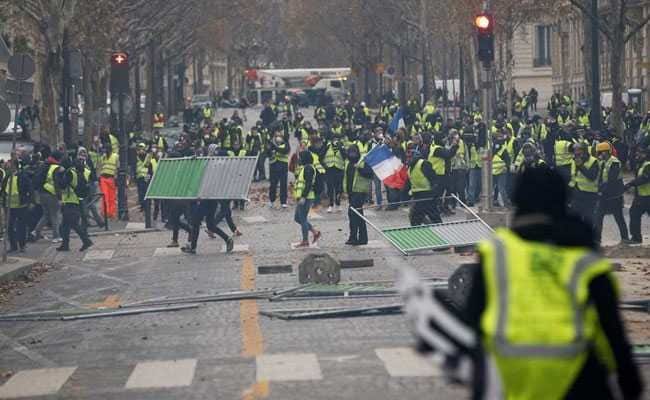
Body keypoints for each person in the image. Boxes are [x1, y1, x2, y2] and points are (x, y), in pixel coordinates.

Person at [407, 167, 644, 399]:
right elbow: (612, 333)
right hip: (575, 376)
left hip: (506, 372)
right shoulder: (585, 261)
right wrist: (628, 382)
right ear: (563, 200)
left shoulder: (496, 254)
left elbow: (473, 320)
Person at [594, 142, 630, 245]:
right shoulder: (602, 162)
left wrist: (600, 189)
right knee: (598, 217)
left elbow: (611, 179)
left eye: (601, 152)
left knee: (618, 217)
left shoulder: (614, 162)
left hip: (614, 195)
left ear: (606, 151)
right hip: (605, 194)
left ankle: (625, 238)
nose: (600, 154)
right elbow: (600, 177)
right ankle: (597, 239)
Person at [56, 158, 93, 252]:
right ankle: (65, 245)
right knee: (64, 225)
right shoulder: (80, 171)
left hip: (70, 201)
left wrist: (59, 174)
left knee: (73, 224)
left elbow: (62, 185)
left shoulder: (69, 173)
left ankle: (86, 241)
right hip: (76, 200)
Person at [344, 145, 374, 245]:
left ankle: (354, 237)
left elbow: (369, 173)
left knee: (354, 214)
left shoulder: (362, 162)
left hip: (360, 191)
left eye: (354, 153)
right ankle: (362, 238)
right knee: (358, 215)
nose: (352, 155)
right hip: (351, 192)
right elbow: (346, 178)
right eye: (350, 153)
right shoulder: (348, 163)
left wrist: (359, 169)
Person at [32, 150, 63, 243]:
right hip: (51, 193)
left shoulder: (44, 164)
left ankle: (35, 231)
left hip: (41, 193)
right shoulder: (56, 168)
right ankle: (56, 236)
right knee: (55, 215)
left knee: (46, 215)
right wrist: (60, 197)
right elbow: (57, 184)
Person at [3, 158, 32, 253]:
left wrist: (29, 201)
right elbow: (3, 190)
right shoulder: (7, 176)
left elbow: (29, 189)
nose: (7, 166)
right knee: (9, 226)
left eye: (9, 164)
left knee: (21, 226)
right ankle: (13, 246)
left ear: (14, 166)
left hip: (21, 206)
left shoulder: (22, 176)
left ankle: (22, 245)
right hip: (9, 206)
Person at [293, 150, 321, 247]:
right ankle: (315, 232)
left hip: (306, 197)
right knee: (297, 218)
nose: (299, 159)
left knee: (302, 218)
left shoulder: (308, 168)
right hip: (303, 197)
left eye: (301, 157)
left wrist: (303, 197)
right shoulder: (305, 168)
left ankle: (305, 240)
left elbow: (308, 184)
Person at [407, 149, 441, 226]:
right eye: (407, 157)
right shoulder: (409, 168)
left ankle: (440, 229)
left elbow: (433, 179)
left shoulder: (423, 163)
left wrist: (435, 194)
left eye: (409, 157)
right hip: (417, 195)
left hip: (427, 195)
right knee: (415, 217)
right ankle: (421, 232)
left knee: (433, 216)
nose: (408, 159)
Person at [569, 142, 599, 228]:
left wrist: (581, 166)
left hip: (590, 194)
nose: (575, 153)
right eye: (575, 150)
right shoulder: (575, 160)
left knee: (588, 218)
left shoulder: (593, 161)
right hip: (577, 192)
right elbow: (573, 177)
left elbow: (592, 176)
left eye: (578, 150)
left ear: (584, 151)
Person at [624, 145, 650, 244]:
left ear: (645, 154)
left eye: (640, 153)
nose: (637, 155)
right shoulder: (641, 165)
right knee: (634, 214)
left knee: (634, 214)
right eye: (637, 153)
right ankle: (636, 238)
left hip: (648, 197)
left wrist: (631, 184)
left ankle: (636, 238)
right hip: (641, 196)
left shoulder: (648, 165)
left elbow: (644, 178)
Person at [267, 131, 290, 208]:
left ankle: (283, 201)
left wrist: (275, 147)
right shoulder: (271, 144)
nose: (278, 137)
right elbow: (267, 153)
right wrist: (270, 148)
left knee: (283, 185)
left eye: (279, 136)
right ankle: (271, 200)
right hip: (273, 166)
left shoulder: (286, 144)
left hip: (283, 167)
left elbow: (284, 151)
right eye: (276, 136)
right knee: (273, 185)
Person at [98, 145, 119, 219]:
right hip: (103, 178)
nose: (106, 151)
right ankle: (105, 213)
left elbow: (118, 167)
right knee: (105, 196)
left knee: (112, 197)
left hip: (111, 178)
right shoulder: (102, 157)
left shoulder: (115, 156)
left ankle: (111, 213)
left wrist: (116, 177)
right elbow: (100, 167)